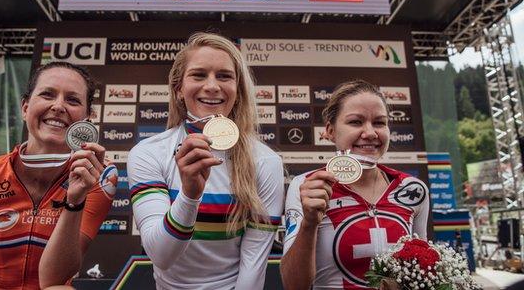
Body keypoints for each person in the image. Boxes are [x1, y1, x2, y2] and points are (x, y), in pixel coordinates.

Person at [127, 32, 284, 289]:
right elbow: (161, 255)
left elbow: (253, 265)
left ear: (238, 89)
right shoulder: (148, 153)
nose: (212, 86)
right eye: (199, 75)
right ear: (178, 89)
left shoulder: (266, 161)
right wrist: (189, 195)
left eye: (224, 76)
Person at [0, 62, 117, 289]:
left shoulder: (98, 176)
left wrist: (75, 201)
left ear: (87, 118)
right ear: (25, 108)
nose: (58, 106)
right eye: (47, 94)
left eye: (72, 100)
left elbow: (54, 280)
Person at [280, 80, 429, 289]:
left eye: (379, 122)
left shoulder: (413, 189)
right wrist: (309, 222)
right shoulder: (306, 186)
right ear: (330, 131)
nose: (370, 133)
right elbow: (294, 285)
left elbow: (421, 274)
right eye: (356, 122)